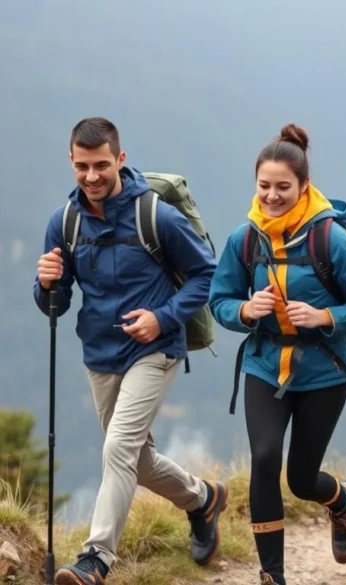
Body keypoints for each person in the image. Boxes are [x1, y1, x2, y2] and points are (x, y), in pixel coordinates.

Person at [33, 117, 226, 584]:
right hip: (99, 353)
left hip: (156, 349)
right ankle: (203, 499)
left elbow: (206, 274)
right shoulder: (65, 223)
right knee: (135, 461)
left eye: (101, 165)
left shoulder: (155, 215)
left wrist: (162, 317)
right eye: (82, 166)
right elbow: (53, 306)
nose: (92, 176)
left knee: (118, 447)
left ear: (120, 159)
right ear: (71, 161)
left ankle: (95, 559)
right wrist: (46, 284)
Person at [207, 123, 346, 585]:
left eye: (283, 187)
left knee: (301, 479)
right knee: (264, 458)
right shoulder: (244, 239)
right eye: (264, 186)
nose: (272, 196)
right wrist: (244, 309)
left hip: (325, 370)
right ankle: (273, 575)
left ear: (304, 186)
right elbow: (218, 299)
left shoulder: (330, 239)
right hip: (264, 364)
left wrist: (324, 317)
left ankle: (341, 500)